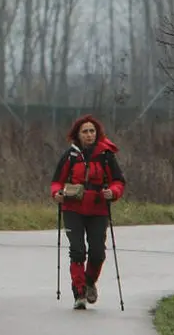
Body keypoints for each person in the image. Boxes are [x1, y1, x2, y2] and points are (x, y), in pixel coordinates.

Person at [50, 114, 126, 309]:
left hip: (98, 210)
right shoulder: (70, 156)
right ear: (78, 134)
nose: (89, 135)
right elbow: (57, 181)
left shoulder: (106, 156)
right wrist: (56, 193)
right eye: (85, 131)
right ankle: (79, 292)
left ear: (97, 133)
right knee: (77, 251)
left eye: (92, 131)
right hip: (72, 209)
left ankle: (90, 281)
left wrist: (113, 193)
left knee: (98, 253)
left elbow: (118, 181)